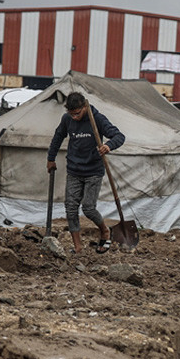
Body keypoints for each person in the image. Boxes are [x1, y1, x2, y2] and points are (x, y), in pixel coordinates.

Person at [46, 91, 125, 253]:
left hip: (93, 170)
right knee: (71, 208)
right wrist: (51, 158)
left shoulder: (97, 119)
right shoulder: (67, 119)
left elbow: (119, 136)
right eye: (71, 113)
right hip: (74, 169)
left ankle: (105, 231)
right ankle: (78, 247)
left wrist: (108, 145)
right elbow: (58, 137)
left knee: (88, 208)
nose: (74, 117)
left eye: (77, 113)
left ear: (84, 107)